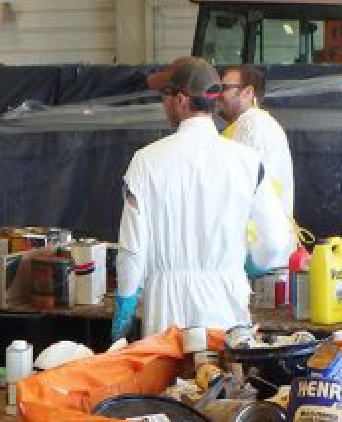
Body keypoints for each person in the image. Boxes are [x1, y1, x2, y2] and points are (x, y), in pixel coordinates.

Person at [111, 57, 294, 341]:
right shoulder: (247, 161)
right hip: (225, 304)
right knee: (222, 368)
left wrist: (124, 307)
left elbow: (132, 250)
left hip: (166, 308)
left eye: (165, 96)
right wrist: (250, 263)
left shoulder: (145, 162)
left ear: (180, 100)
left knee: (168, 370)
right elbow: (276, 241)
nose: (164, 104)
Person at [217, 65, 296, 220]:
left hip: (257, 232)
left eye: (223, 88)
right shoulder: (245, 125)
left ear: (248, 92)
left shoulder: (256, 126)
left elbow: (258, 191)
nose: (217, 95)